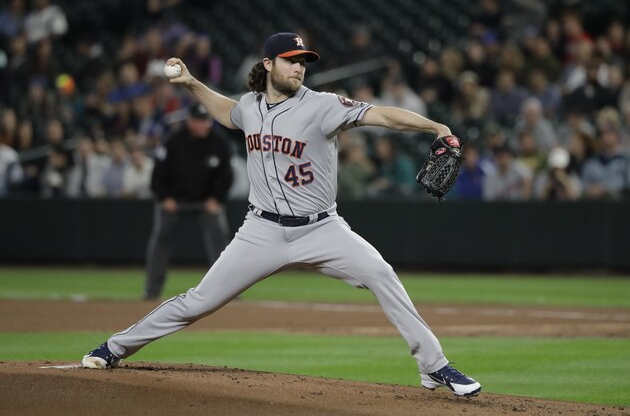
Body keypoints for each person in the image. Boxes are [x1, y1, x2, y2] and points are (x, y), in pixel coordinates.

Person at [82, 32, 481, 397]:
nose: (299, 67)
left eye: (303, 61)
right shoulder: (251, 107)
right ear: (269, 64)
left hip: (322, 228)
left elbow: (382, 115)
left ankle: (434, 366)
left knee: (381, 274)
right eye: (291, 60)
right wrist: (190, 83)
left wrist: (434, 126)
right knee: (198, 301)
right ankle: (115, 347)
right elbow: (227, 112)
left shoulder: (323, 106)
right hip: (261, 231)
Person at [143, 102, 233, 300]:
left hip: (207, 202)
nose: (204, 125)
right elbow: (157, 175)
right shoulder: (173, 142)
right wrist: (164, 197)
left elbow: (226, 177)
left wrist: (216, 199)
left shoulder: (219, 143)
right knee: (160, 240)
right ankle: (151, 290)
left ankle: (228, 291)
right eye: (200, 121)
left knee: (222, 244)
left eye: (206, 120)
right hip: (174, 201)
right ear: (190, 122)